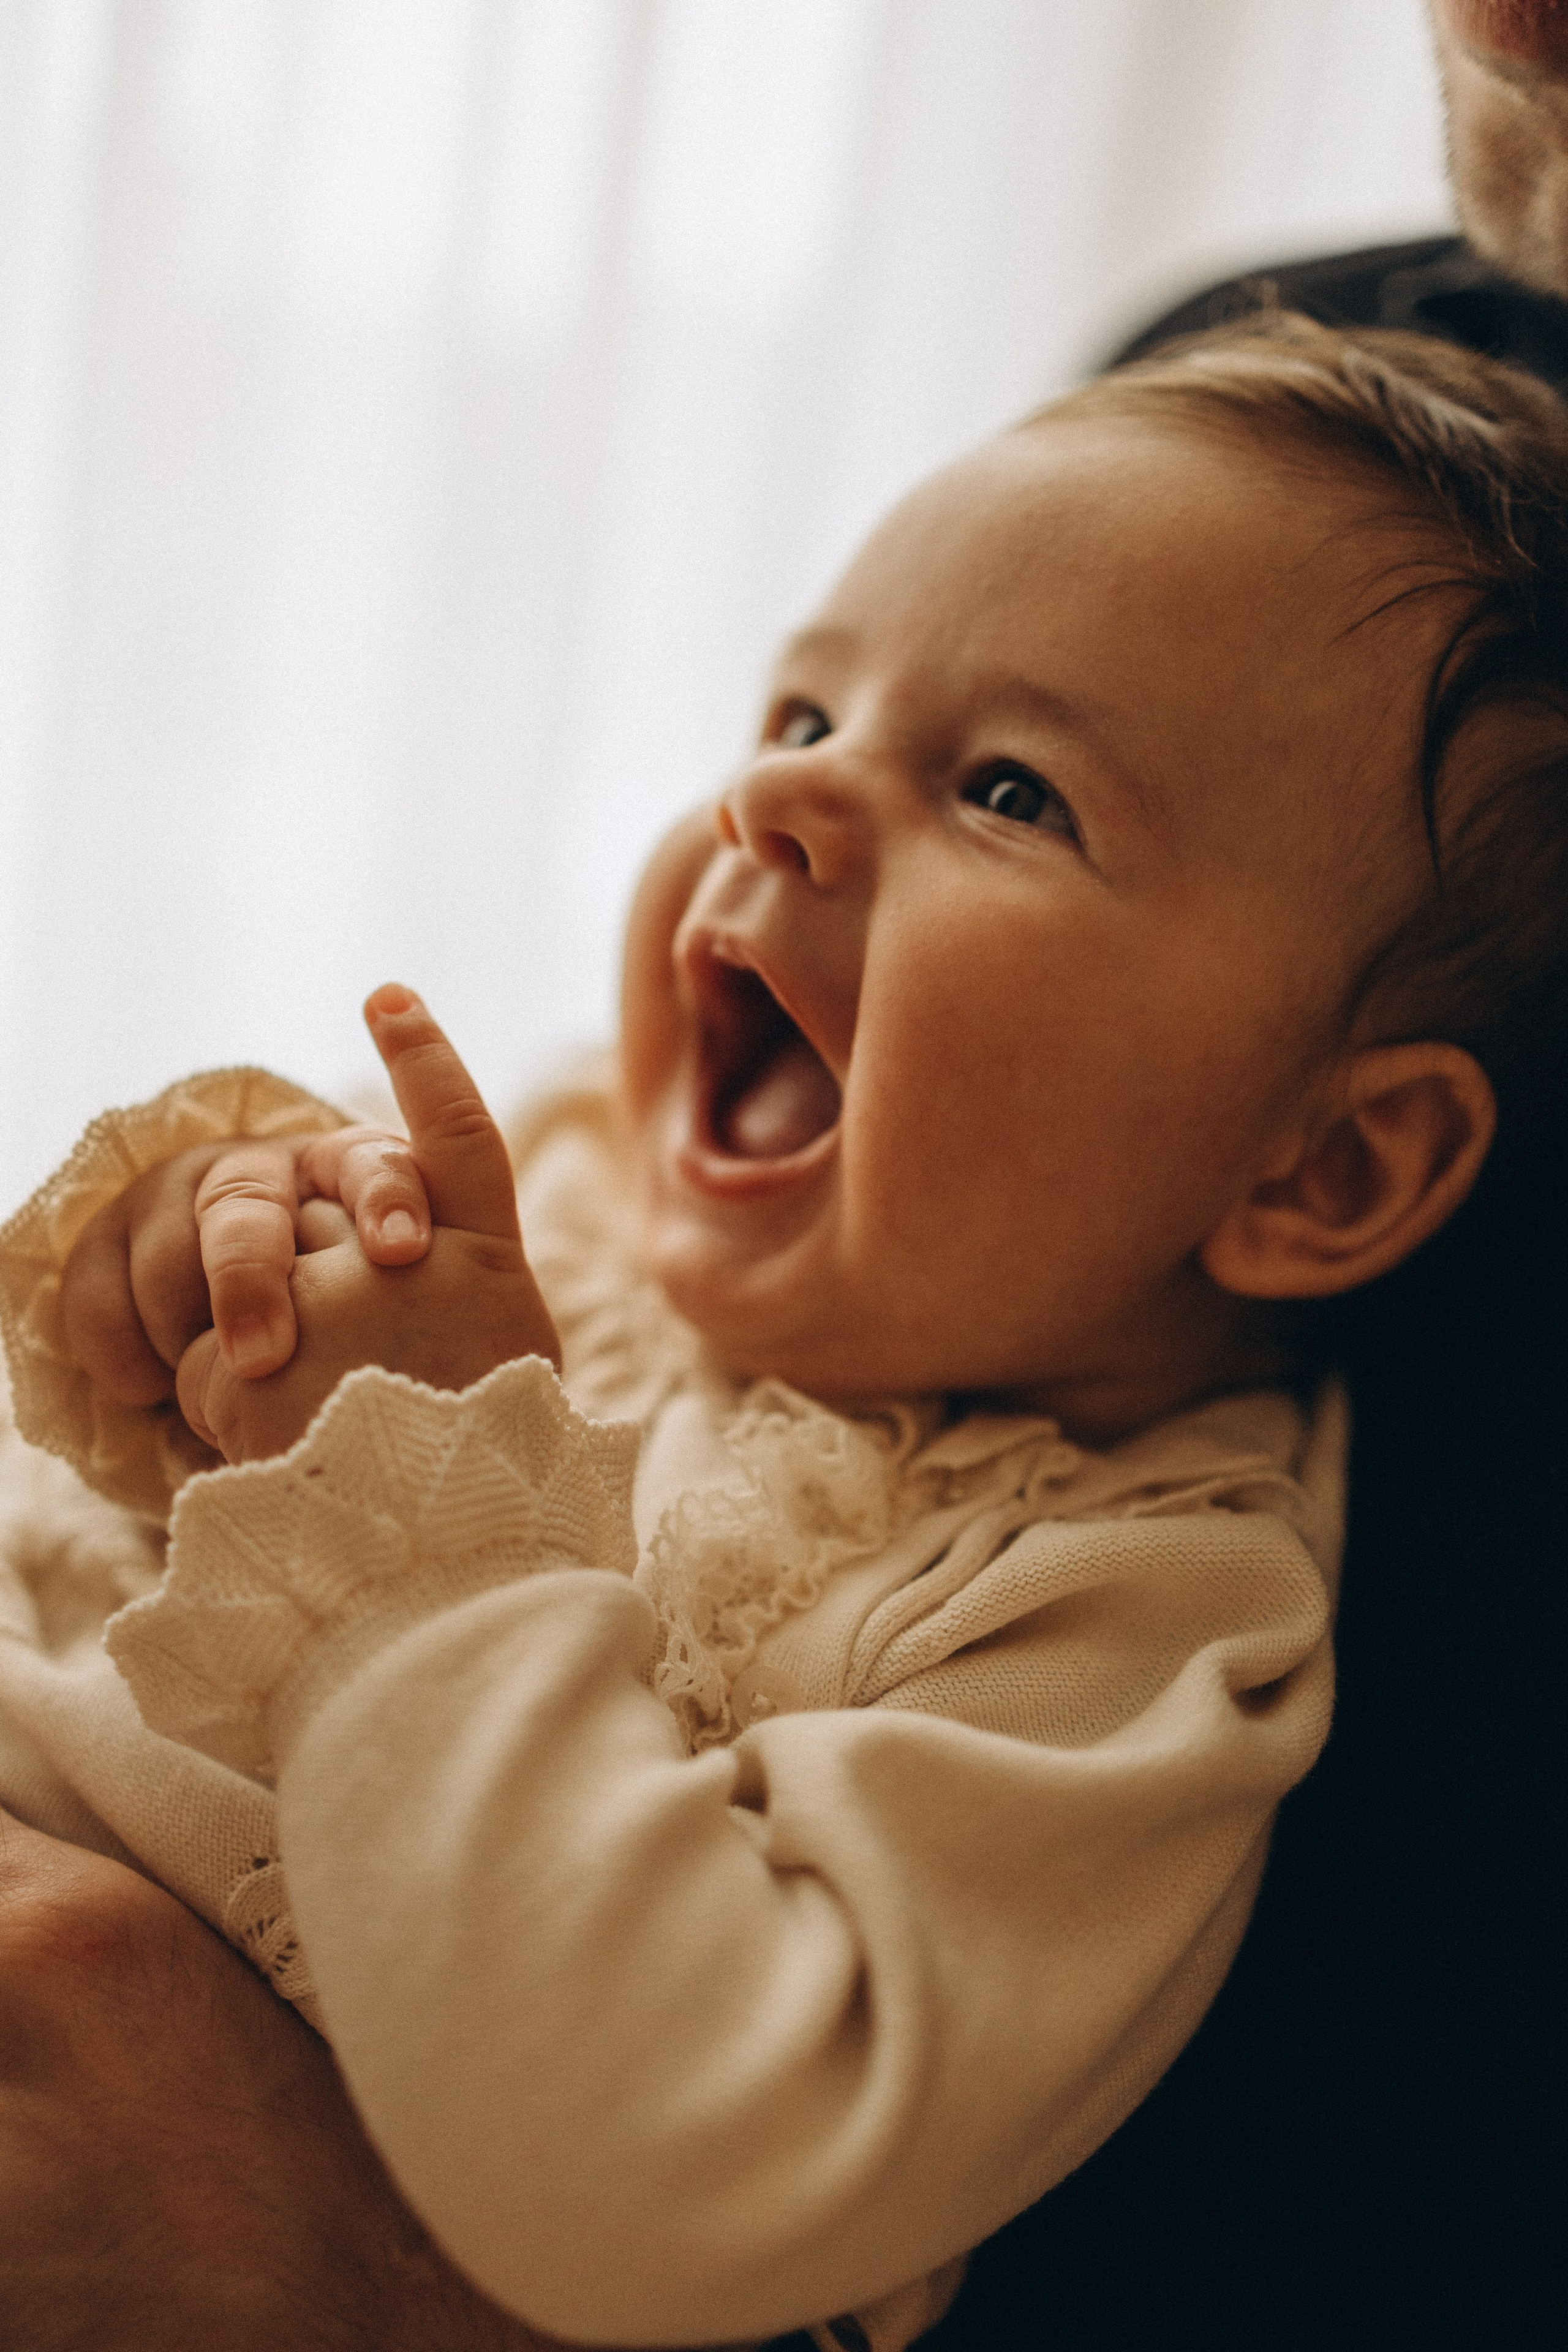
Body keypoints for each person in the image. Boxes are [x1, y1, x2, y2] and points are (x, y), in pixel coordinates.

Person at [2, 308, 1565, 2348]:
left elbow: (655, 2171)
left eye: (1010, 790)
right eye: (807, 712)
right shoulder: (574, 1165)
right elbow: (142, 1467)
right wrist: (185, 1278)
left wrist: (432, 1532)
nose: (780, 802)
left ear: (1319, 1173)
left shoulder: (1115, 1628)